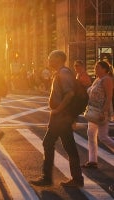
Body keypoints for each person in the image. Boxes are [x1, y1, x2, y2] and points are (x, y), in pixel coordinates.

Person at [30, 50, 84, 187]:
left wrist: (57, 110)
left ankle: (48, 178)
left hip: (61, 116)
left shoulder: (64, 73)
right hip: (62, 116)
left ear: (58, 59)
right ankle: (76, 178)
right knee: (67, 145)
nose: (48, 61)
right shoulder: (61, 72)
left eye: (50, 58)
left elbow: (70, 93)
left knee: (49, 143)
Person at [81, 61, 114, 169]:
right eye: (95, 67)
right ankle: (92, 161)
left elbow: (109, 97)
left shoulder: (107, 79)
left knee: (103, 137)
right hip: (93, 112)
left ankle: (92, 160)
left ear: (104, 69)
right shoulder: (97, 79)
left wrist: (104, 112)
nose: (95, 69)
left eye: (98, 67)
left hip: (101, 112)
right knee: (91, 134)